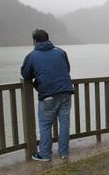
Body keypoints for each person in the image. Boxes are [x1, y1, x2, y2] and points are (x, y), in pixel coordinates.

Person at [21, 29, 74, 161]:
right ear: (48, 39)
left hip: (48, 94)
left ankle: (45, 154)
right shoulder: (60, 52)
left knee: (45, 125)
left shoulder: (32, 56)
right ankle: (64, 153)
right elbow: (66, 69)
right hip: (66, 91)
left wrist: (38, 73)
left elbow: (26, 74)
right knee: (64, 123)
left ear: (34, 41)